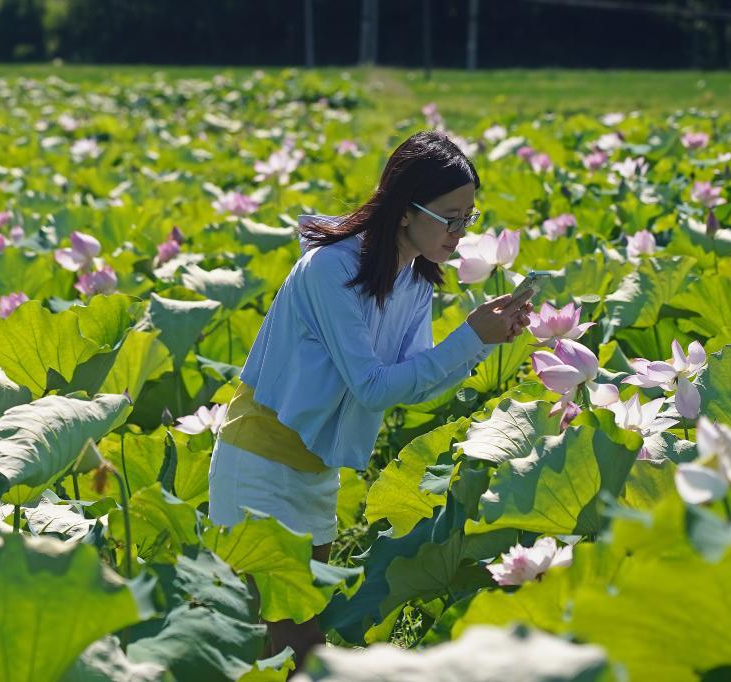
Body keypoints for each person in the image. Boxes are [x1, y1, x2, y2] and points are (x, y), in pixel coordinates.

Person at [206, 130, 534, 662]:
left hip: (316, 472)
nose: (460, 232)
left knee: (284, 641)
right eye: (450, 217)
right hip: (259, 465)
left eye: (468, 218)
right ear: (406, 211)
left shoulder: (415, 278)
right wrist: (469, 337)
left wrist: (481, 342)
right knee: (294, 644)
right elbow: (372, 386)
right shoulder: (331, 268)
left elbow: (416, 381)